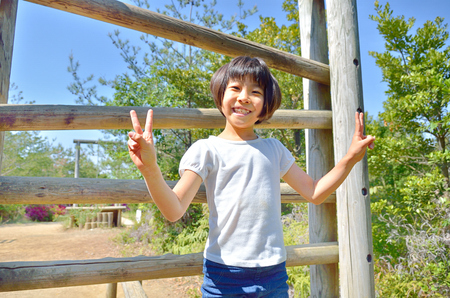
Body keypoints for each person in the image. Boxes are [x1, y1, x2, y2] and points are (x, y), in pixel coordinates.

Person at [127, 56, 375, 297]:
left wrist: (351, 157)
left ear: (266, 104)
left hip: (274, 273)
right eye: (235, 88)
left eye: (255, 92)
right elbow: (174, 209)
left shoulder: (274, 149)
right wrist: (150, 169)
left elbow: (315, 192)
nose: (244, 97)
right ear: (220, 95)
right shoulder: (206, 150)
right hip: (223, 274)